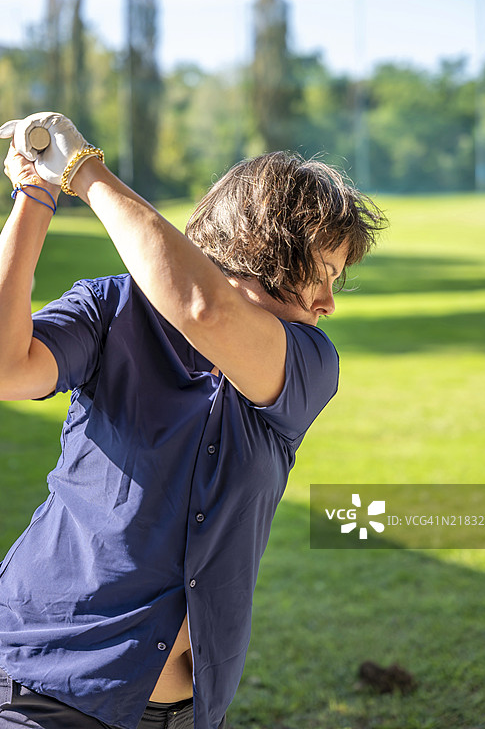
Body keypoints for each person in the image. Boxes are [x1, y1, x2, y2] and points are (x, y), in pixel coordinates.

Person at [0, 113, 385, 729]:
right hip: (45, 684)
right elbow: (4, 367)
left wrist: (82, 169)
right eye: (325, 272)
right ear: (268, 244)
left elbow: (205, 310)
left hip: (181, 714)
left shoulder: (310, 363)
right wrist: (38, 194)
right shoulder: (111, 309)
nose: (329, 303)